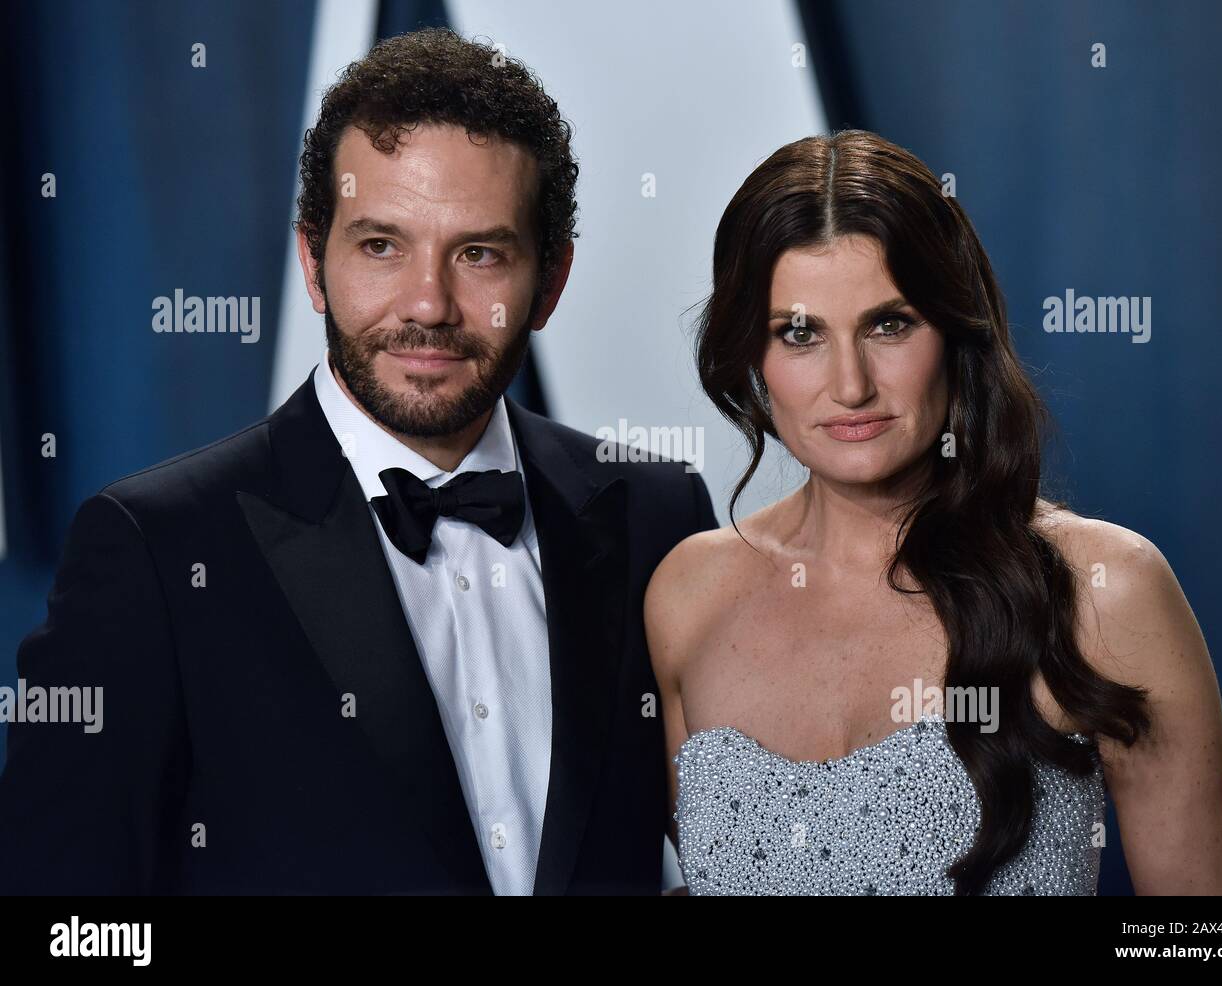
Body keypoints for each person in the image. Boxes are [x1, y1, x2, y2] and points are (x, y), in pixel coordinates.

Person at [0, 27, 716, 895]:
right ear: (314, 261)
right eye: (382, 245)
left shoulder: (659, 513)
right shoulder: (154, 548)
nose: (429, 304)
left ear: (552, 279)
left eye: (480, 253)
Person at [645, 130, 1222, 895]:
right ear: (750, 357)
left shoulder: (1104, 588)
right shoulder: (688, 596)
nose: (851, 384)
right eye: (800, 334)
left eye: (889, 324)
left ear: (956, 333)